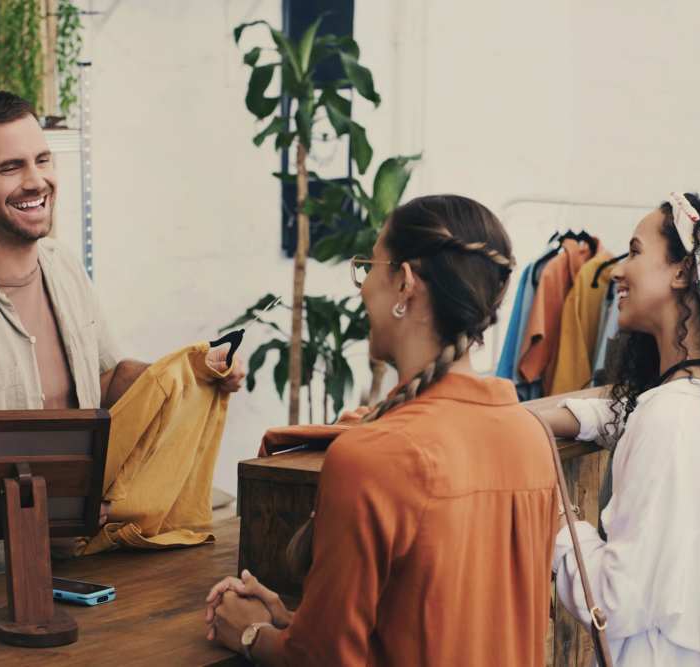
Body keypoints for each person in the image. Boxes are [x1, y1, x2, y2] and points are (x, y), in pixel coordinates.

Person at [0, 91, 244, 594]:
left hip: (84, 566)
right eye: (10, 167)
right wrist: (27, 512)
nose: (36, 180)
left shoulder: (62, 267)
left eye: (42, 160)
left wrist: (187, 374)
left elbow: (105, 381)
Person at [205, 195, 558, 665]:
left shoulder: (376, 457)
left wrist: (249, 634)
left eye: (368, 267)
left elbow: (322, 661)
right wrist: (294, 622)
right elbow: (447, 621)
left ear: (405, 283)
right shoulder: (530, 437)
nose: (362, 288)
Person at [539, 192, 700, 666]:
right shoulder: (695, 404)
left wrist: (560, 524)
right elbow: (627, 414)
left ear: (682, 272)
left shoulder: (669, 419)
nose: (618, 270)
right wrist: (536, 417)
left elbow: (613, 602)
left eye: (636, 252)